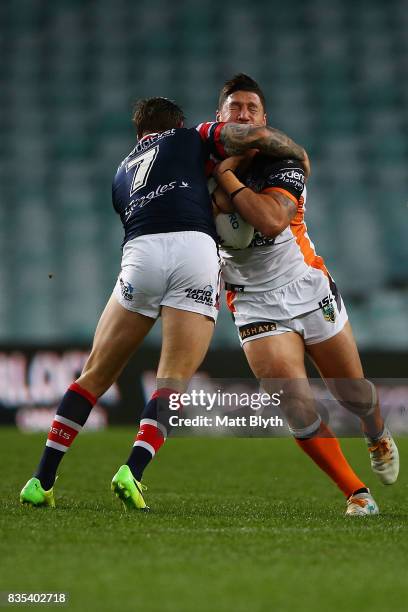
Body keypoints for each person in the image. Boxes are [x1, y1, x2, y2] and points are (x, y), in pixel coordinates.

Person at [20, 96, 309, 511]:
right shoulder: (192, 137)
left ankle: (41, 478)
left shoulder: (121, 174)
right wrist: (295, 155)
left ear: (140, 133)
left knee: (95, 373)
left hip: (141, 252)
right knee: (172, 379)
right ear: (177, 123)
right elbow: (256, 135)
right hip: (194, 248)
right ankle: (132, 470)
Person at [212, 74, 399, 516]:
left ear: (263, 120)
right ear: (219, 118)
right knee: (292, 403)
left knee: (352, 392)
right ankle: (357, 493)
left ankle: (374, 431)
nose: (242, 115)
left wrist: (225, 181)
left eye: (251, 109)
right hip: (253, 299)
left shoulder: (283, 162)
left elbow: (272, 221)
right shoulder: (199, 163)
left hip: (306, 285)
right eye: (234, 108)